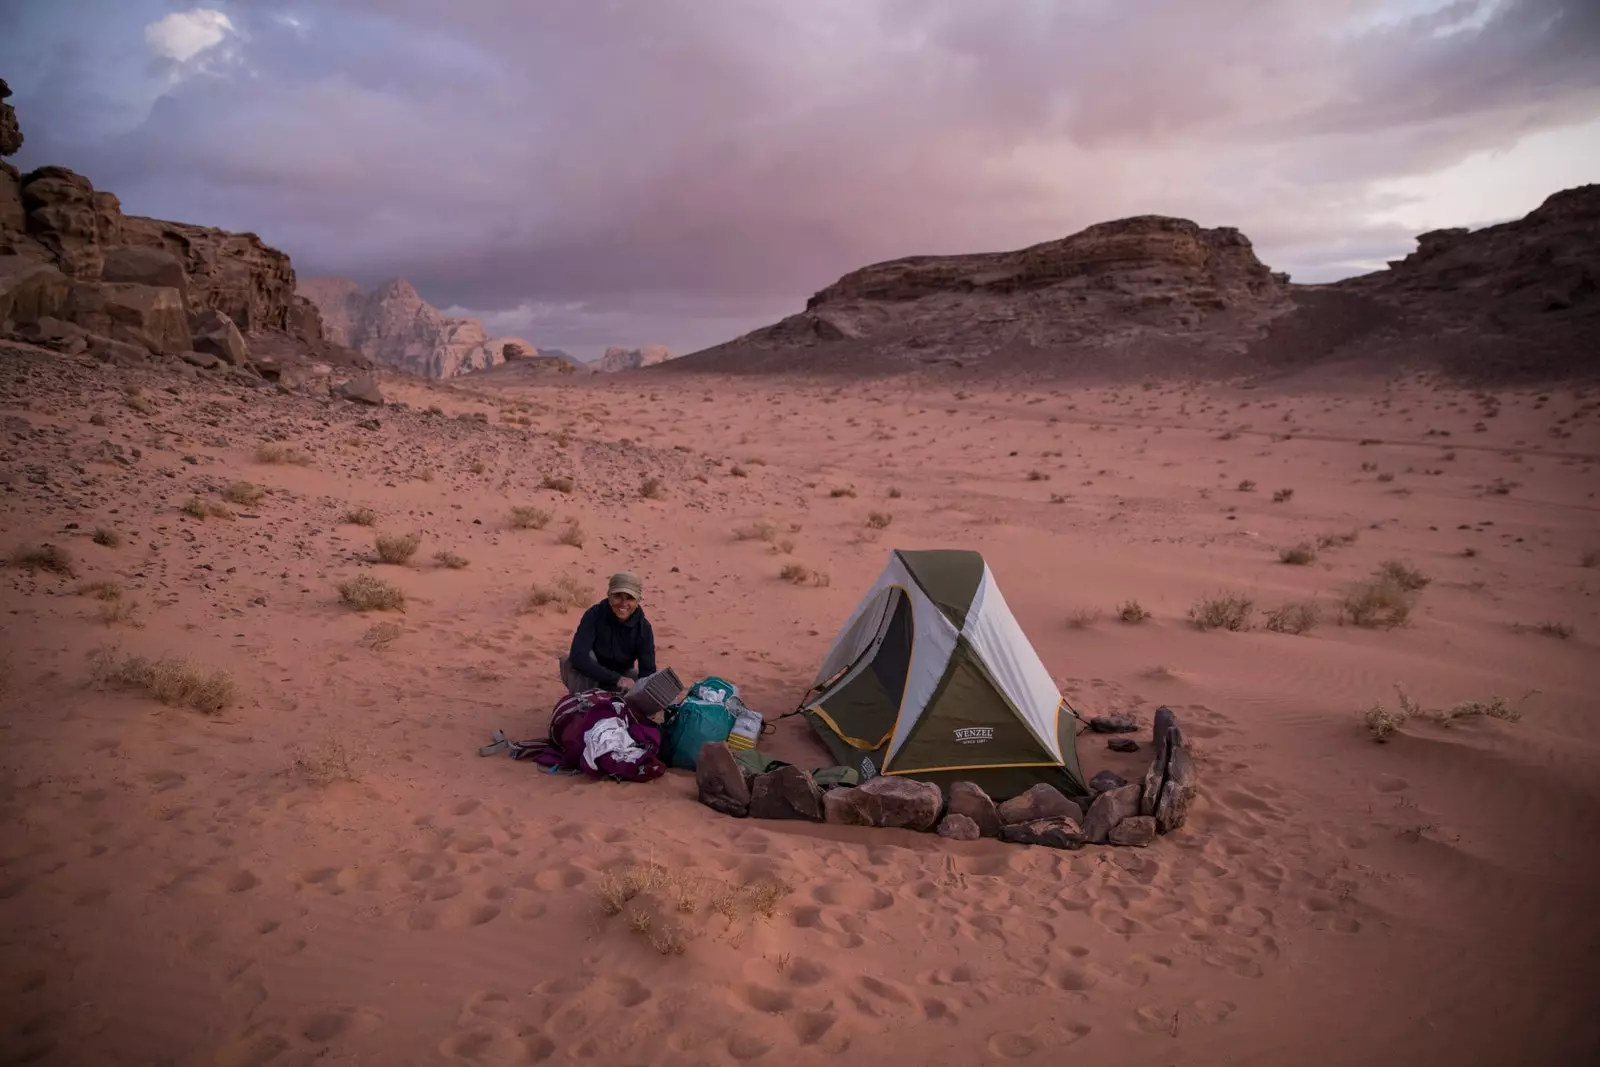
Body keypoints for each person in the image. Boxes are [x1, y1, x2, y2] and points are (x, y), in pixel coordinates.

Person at [561, 571, 657, 695]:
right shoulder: (594, 615)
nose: (623, 603)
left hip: (622, 675)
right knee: (577, 659)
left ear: (638, 600)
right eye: (618, 596)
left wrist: (643, 691)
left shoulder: (644, 628)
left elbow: (648, 671)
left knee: (650, 682)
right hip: (591, 675)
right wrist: (616, 679)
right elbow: (578, 657)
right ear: (609, 595)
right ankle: (584, 704)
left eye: (630, 598)